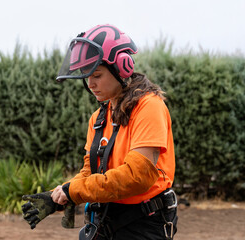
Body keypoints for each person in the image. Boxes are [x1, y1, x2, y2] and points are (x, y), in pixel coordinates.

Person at [22, 24, 178, 240]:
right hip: (106, 220)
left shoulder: (149, 106)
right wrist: (60, 194)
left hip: (144, 223)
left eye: (97, 74)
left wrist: (73, 191)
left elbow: (137, 176)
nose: (90, 83)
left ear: (122, 67)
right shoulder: (98, 118)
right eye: (87, 76)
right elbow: (90, 171)